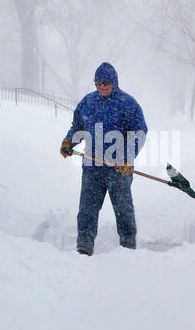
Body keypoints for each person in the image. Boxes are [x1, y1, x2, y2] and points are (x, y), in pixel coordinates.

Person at [60, 62, 147, 255]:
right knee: (86, 211)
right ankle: (84, 246)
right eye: (98, 83)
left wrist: (127, 158)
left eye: (106, 82)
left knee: (124, 211)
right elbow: (78, 127)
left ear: (114, 82)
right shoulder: (87, 103)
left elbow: (139, 133)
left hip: (118, 169)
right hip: (92, 168)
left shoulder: (127, 104)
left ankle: (128, 248)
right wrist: (69, 142)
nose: (102, 86)